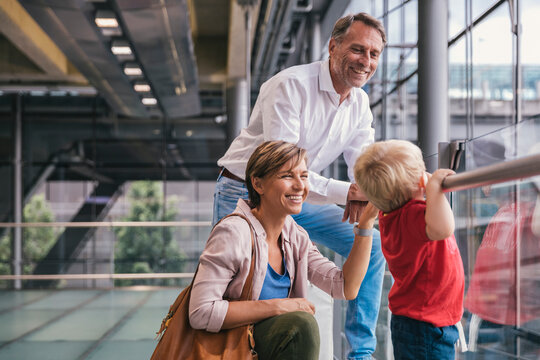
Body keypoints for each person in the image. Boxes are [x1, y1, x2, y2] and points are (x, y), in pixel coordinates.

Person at [214, 12, 387, 359]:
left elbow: (363, 164)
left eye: (374, 54)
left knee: (371, 245)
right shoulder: (291, 85)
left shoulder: (360, 103)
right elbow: (283, 165)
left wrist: (365, 188)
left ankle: (361, 353)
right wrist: (348, 192)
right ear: (333, 46)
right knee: (239, 287)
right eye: (357, 49)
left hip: (298, 196)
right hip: (248, 192)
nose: (365, 61)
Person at [189, 140, 378, 360]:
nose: (300, 186)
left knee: (299, 323)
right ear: (258, 184)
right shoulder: (233, 233)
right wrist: (279, 307)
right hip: (231, 348)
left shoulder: (295, 236)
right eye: (287, 176)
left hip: (268, 346)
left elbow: (345, 287)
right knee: (300, 324)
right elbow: (200, 312)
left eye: (304, 176)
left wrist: (365, 225)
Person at [353, 140, 465, 360]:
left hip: (419, 321)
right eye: (422, 171)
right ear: (418, 184)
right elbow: (443, 229)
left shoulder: (389, 215)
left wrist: (427, 186)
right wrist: (434, 188)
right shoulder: (412, 214)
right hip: (425, 326)